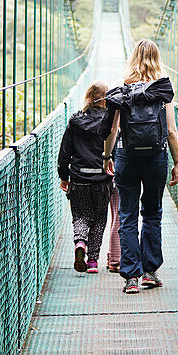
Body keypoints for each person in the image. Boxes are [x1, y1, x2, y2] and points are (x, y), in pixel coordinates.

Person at [103, 39, 178, 294]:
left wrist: (107, 157)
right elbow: (170, 130)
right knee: (152, 213)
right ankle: (150, 272)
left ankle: (131, 278)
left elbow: (112, 129)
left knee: (127, 215)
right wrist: (176, 162)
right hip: (156, 158)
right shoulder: (163, 89)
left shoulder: (122, 90)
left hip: (127, 157)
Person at [58, 81, 115, 274]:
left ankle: (80, 242)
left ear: (88, 97)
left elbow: (65, 152)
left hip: (79, 177)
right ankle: (92, 262)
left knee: (81, 216)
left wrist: (63, 176)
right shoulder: (110, 122)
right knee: (99, 219)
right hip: (102, 179)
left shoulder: (75, 120)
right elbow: (114, 149)